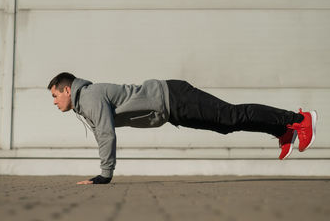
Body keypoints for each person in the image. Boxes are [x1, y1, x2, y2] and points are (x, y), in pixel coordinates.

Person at [48, 72, 317, 185]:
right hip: (172, 107)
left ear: (68, 89)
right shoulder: (85, 103)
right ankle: (283, 131)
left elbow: (106, 133)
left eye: (55, 95)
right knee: (227, 126)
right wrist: (102, 174)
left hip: (174, 98)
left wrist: (105, 175)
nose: (55, 101)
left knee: (232, 115)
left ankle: (298, 119)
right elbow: (100, 131)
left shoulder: (90, 96)